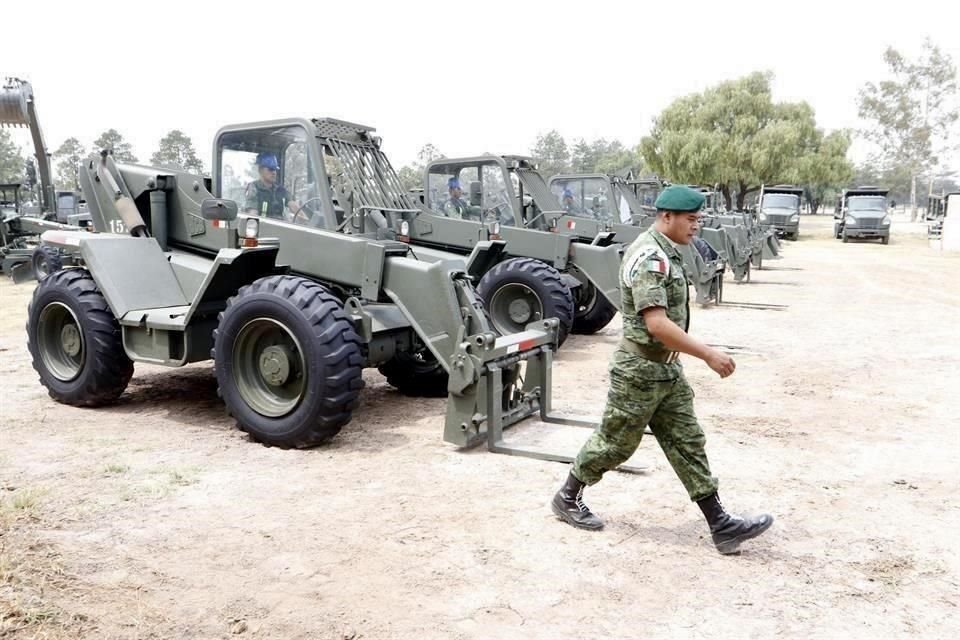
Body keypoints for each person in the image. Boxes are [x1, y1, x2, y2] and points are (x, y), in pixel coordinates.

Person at [550, 184, 773, 555]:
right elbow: (656, 324)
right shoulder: (650, 257)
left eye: (698, 219)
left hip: (666, 370)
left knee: (688, 441)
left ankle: (721, 524)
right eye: (691, 219)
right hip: (638, 371)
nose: (696, 226)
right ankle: (567, 496)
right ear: (666, 216)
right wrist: (708, 355)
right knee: (616, 444)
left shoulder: (668, 251)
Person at [243, 152, 299, 219]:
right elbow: (252, 215)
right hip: (262, 224)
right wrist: (253, 220)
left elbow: (294, 207)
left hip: (279, 224)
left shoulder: (280, 190)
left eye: (275, 169)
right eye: (271, 169)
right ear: (260, 170)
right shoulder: (254, 188)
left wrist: (305, 220)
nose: (274, 172)